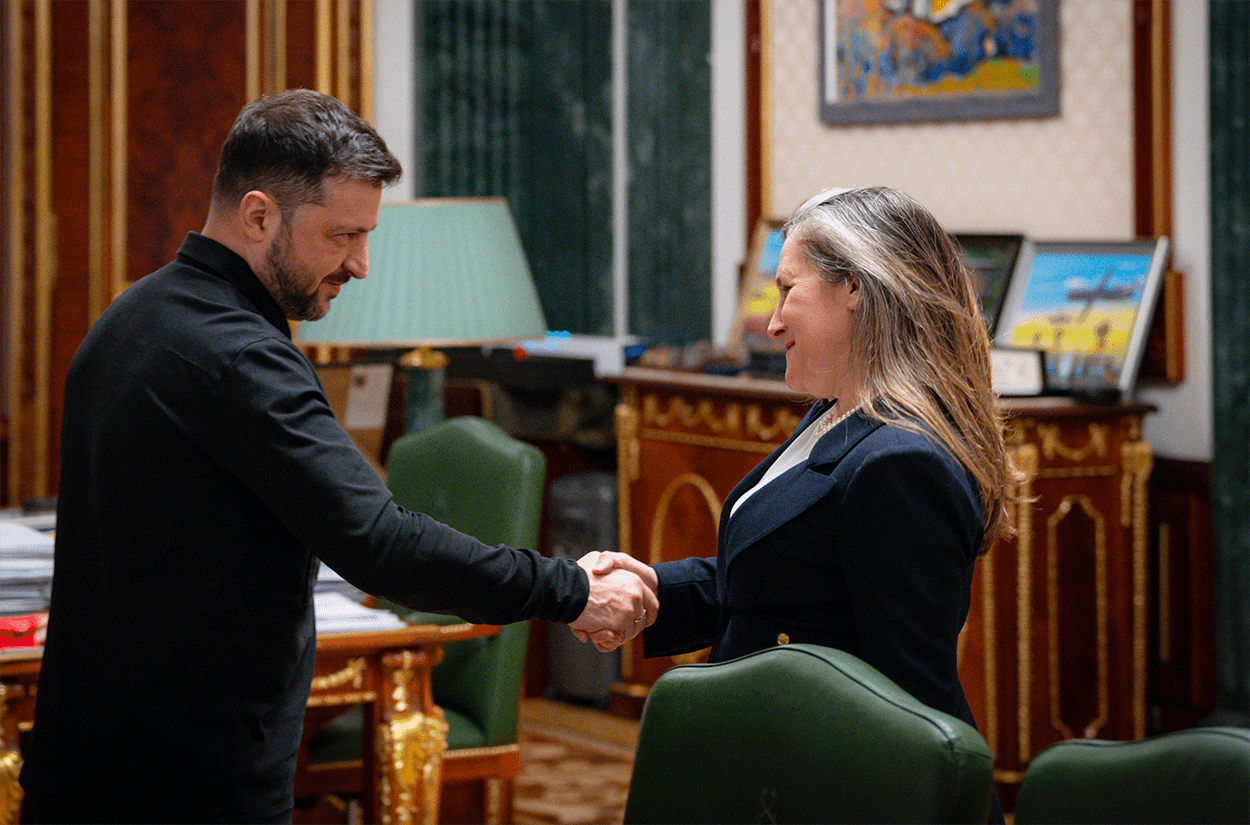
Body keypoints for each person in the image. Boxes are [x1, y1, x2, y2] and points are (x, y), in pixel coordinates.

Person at [18, 89, 655, 824]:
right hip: (192, 788)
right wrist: (569, 588)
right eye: (342, 236)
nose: (360, 265)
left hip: (82, 775)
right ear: (259, 215)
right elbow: (380, 544)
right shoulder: (242, 356)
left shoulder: (127, 317)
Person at [588, 186, 1016, 823]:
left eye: (788, 290)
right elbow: (785, 587)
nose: (772, 319)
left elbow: (910, 695)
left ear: (858, 290)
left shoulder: (900, 463)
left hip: (827, 792)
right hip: (771, 770)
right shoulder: (836, 416)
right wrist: (658, 590)